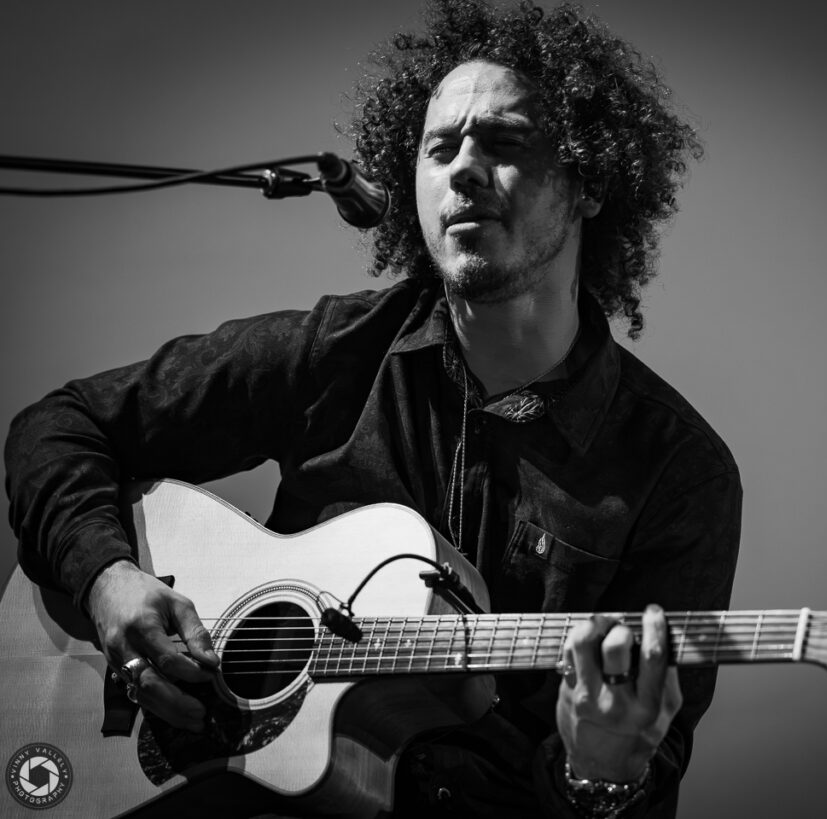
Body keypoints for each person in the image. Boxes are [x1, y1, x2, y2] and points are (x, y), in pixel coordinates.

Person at [4, 1, 741, 816]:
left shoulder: (679, 470)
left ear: (589, 181)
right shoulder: (337, 352)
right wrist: (107, 578)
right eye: (439, 148)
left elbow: (640, 786)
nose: (463, 170)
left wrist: (600, 767)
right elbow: (58, 427)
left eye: (504, 142)